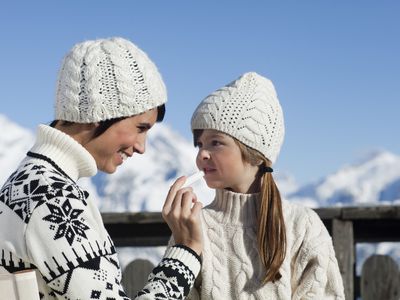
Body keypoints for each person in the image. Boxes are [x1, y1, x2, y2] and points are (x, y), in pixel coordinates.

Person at [0, 37, 203, 299]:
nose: (142, 147)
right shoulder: (55, 202)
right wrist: (186, 251)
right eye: (140, 128)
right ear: (98, 112)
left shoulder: (26, 182)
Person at [180, 72, 345, 299]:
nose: (202, 155)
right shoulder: (194, 226)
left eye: (215, 142)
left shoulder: (302, 226)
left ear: (256, 155)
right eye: (199, 144)